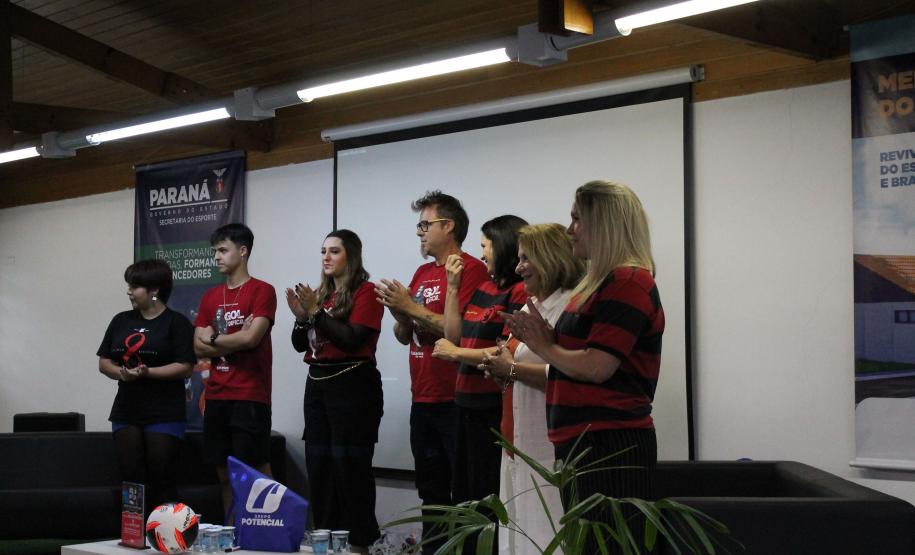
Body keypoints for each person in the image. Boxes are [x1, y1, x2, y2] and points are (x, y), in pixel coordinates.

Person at [503, 181, 665, 555]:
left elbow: (597, 366)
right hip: (585, 442)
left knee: (606, 546)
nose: (571, 228)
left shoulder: (629, 281)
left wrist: (544, 344)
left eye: (577, 219)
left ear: (604, 224)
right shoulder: (599, 284)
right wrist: (547, 339)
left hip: (609, 442)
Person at [375, 190, 488, 554]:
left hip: (456, 398)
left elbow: (462, 332)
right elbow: (404, 334)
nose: (420, 232)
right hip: (422, 397)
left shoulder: (471, 269)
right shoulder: (423, 272)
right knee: (430, 491)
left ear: (449, 226)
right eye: (419, 225)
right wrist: (400, 314)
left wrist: (411, 307)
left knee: (465, 494)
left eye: (425, 224)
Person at [478, 223, 584, 555]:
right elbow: (518, 363)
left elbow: (570, 373)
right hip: (516, 442)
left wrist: (511, 368)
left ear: (550, 258)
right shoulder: (530, 305)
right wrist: (502, 365)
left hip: (547, 451)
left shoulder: (572, 308)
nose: (518, 266)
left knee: (546, 537)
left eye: (527, 258)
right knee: (518, 537)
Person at [287, 230, 384, 552]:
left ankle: (358, 544)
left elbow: (352, 338)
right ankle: (326, 543)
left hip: (352, 384)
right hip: (317, 384)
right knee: (320, 467)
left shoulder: (366, 292)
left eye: (334, 251)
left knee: (350, 469)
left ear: (351, 256)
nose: (326, 257)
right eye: (323, 251)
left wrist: (315, 312)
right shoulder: (322, 295)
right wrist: (303, 318)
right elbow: (300, 343)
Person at [431, 215, 528, 531]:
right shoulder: (485, 286)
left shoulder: (519, 293)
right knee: (464, 496)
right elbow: (452, 335)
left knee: (489, 496)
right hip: (465, 404)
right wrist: (453, 288)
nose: (482, 253)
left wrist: (457, 354)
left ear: (502, 247)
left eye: (485, 246)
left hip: (493, 407)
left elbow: (506, 352)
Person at [193, 223, 277, 518]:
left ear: (242, 252)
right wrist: (232, 341)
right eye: (215, 251)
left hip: (250, 395)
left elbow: (252, 338)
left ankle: (267, 530)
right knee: (224, 472)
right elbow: (198, 347)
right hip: (216, 396)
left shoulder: (262, 290)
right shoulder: (210, 296)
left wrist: (215, 338)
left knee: (254, 469)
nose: (216, 256)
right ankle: (232, 532)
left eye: (223, 250)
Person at [97, 259, 195, 511]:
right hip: (126, 411)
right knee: (131, 477)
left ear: (154, 290)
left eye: (135, 286)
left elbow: (185, 366)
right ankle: (133, 537)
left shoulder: (177, 323)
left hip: (165, 412)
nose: (129, 291)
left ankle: (167, 536)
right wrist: (122, 373)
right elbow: (104, 362)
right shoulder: (120, 320)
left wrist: (147, 372)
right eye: (129, 285)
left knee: (162, 476)